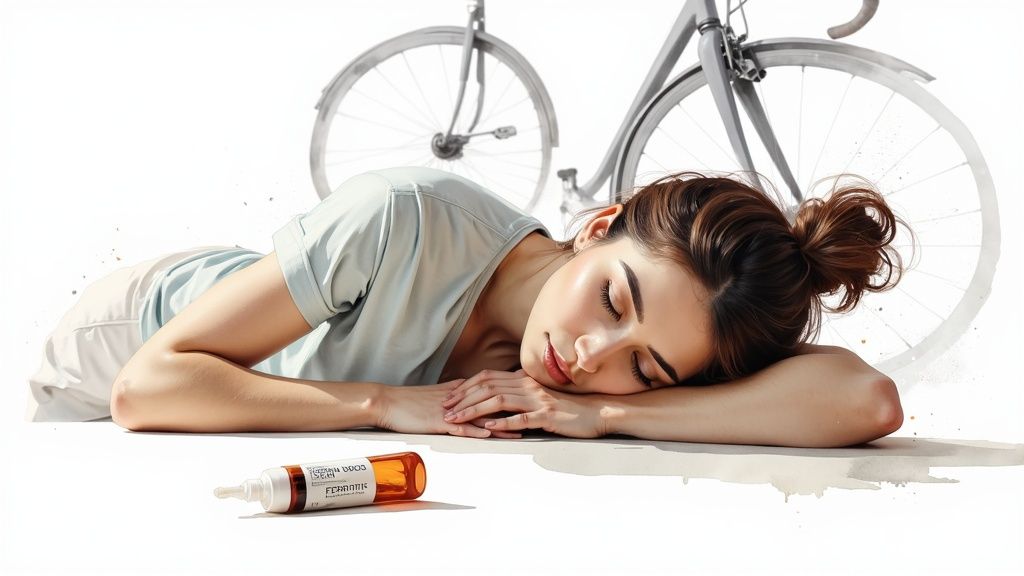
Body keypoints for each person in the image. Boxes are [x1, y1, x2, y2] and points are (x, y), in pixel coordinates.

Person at [28, 166, 907, 447]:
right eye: (612, 297)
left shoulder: (599, 385)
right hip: (129, 338)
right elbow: (149, 387)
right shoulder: (408, 218)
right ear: (599, 226)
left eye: (645, 365)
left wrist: (605, 414)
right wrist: (386, 404)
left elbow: (863, 400)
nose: (590, 354)